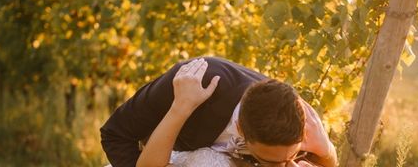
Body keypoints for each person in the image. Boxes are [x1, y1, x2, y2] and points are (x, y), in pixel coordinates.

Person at [100, 57, 338, 167]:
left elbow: (324, 163)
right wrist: (180, 108)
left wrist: (326, 152)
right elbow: (115, 134)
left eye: (289, 159)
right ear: (242, 130)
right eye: (271, 163)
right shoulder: (191, 81)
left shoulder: (291, 117)